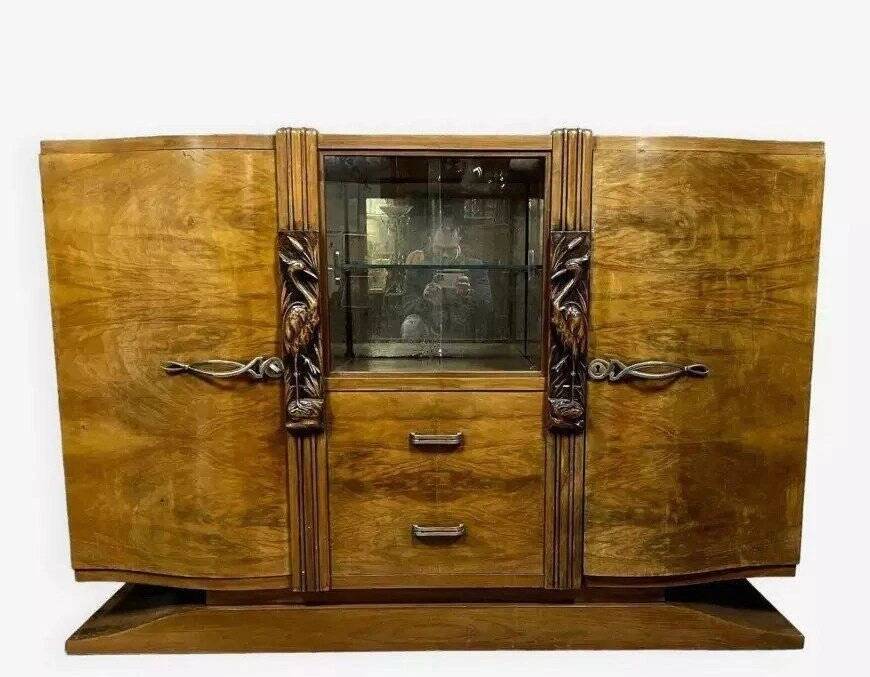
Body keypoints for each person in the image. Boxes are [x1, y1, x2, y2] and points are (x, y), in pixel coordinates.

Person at [400, 224, 493, 343]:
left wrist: (468, 294)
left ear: (459, 240)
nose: (444, 255)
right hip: (427, 334)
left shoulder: (476, 267)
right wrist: (426, 301)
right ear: (430, 241)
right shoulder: (418, 268)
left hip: (464, 334)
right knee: (411, 325)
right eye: (439, 248)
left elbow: (487, 307)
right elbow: (406, 307)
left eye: (450, 249)